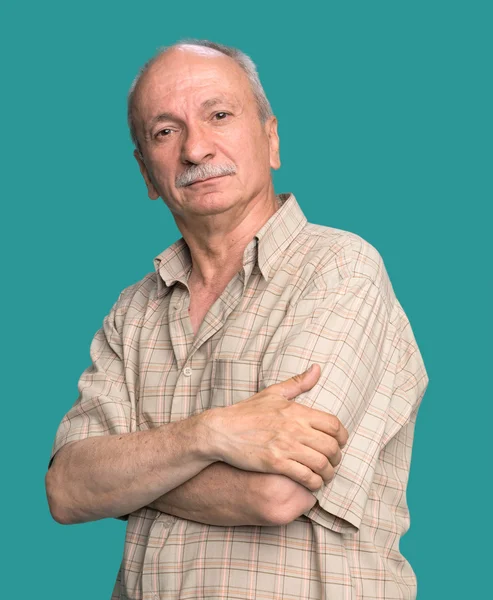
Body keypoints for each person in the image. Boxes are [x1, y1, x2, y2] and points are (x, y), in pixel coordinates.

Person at [45, 39, 429, 600]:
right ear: (147, 174)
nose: (196, 148)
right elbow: (66, 490)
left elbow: (275, 492)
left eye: (219, 115)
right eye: (165, 131)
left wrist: (131, 479)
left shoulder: (341, 270)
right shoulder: (133, 312)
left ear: (271, 138)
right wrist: (211, 434)